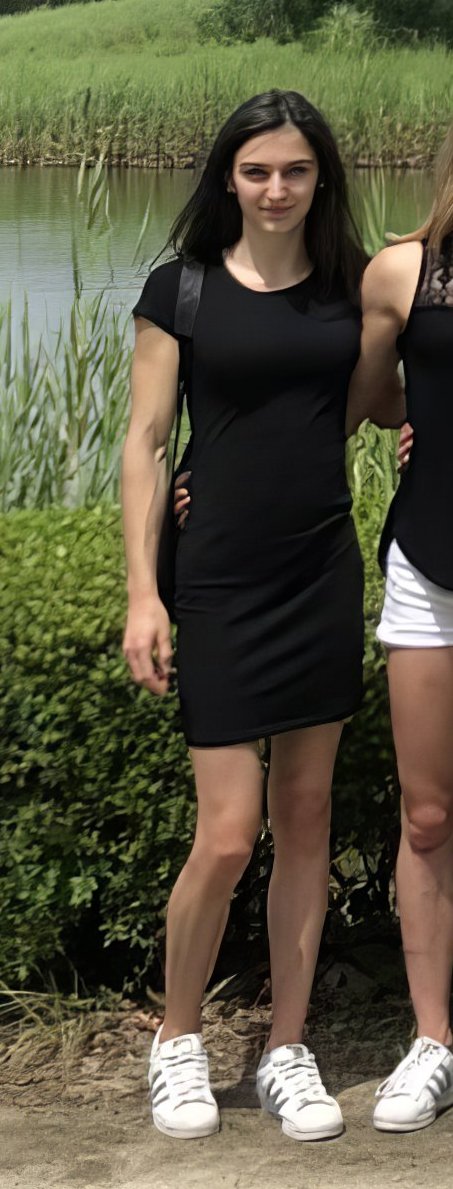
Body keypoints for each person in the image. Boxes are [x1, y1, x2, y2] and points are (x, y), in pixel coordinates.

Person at [122, 89, 394, 1143]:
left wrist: (422, 421)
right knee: (230, 834)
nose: (276, 189)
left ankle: (286, 1046)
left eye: (295, 171)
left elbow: (385, 392)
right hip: (221, 582)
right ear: (227, 179)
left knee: (307, 817)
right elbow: (147, 443)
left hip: (318, 569)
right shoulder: (180, 287)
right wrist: (144, 592)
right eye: (256, 171)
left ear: (321, 178)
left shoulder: (352, 282)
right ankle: (176, 1038)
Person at [346, 121, 453, 1132]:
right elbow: (361, 396)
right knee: (426, 818)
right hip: (429, 567)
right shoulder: (402, 272)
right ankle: (432, 1040)